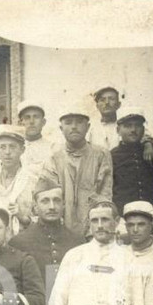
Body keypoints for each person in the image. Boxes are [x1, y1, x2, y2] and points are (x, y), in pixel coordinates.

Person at [40, 102, 113, 238]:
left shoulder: (101, 155)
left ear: (88, 127)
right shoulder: (54, 158)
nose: (74, 127)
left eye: (79, 122)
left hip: (94, 229)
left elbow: (105, 195)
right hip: (61, 231)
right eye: (68, 123)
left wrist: (94, 229)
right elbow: (48, 195)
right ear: (61, 128)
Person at [8, 177, 86, 298]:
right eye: (45, 201)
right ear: (35, 207)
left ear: (64, 205)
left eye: (56, 200)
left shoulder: (78, 242)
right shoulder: (18, 243)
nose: (52, 206)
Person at [111, 107, 153, 214]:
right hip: (123, 214)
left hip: (149, 211)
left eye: (137, 125)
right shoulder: (112, 155)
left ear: (143, 129)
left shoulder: (151, 151)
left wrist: (149, 143)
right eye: (128, 126)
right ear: (118, 130)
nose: (133, 130)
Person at [16, 100, 56, 176]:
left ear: (43, 122)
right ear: (20, 123)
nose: (31, 121)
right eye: (27, 117)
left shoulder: (52, 148)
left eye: (36, 117)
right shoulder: (13, 149)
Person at [87, 86, 122, 151]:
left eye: (111, 99)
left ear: (118, 104)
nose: (106, 103)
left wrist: (147, 143)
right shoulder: (90, 128)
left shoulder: (126, 126)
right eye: (102, 100)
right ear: (97, 106)